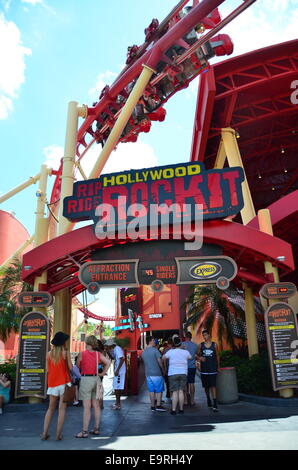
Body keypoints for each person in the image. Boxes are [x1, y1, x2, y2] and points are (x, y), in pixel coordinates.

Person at [75, 335, 110, 438]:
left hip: (86, 379)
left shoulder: (82, 354)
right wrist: (102, 373)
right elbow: (108, 362)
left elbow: (77, 366)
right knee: (96, 405)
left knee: (86, 407)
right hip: (96, 379)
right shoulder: (98, 354)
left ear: (87, 343)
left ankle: (84, 432)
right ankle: (96, 429)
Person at [41, 331, 73, 441]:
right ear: (63, 342)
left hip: (53, 384)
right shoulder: (65, 352)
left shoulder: (49, 354)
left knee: (50, 409)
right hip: (64, 383)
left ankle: (44, 433)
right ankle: (58, 435)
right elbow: (70, 367)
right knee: (62, 409)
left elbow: (47, 370)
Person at [162, 336, 191, 415]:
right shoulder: (185, 352)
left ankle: (174, 410)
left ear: (174, 344)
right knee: (181, 391)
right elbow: (190, 357)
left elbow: (163, 357)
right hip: (183, 373)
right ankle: (181, 409)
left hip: (173, 373)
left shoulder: (171, 351)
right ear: (180, 343)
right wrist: (183, 350)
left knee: (175, 392)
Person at [141, 337, 166, 412]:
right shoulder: (155, 351)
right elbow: (160, 362)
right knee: (159, 390)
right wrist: (163, 370)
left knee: (151, 390)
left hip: (148, 374)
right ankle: (158, 405)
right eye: (154, 340)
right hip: (157, 373)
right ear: (151, 341)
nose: (155, 341)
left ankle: (152, 406)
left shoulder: (144, 352)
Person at [197, 329, 220, 412]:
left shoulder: (214, 345)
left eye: (206, 335)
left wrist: (218, 366)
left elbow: (217, 356)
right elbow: (197, 355)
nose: (205, 337)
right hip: (204, 369)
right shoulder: (201, 345)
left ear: (209, 335)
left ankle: (215, 403)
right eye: (203, 335)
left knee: (213, 386)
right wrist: (200, 358)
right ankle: (208, 398)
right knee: (206, 387)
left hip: (213, 369)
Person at [105, 338, 126, 410]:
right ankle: (117, 403)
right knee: (116, 387)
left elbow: (122, 359)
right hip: (118, 371)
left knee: (117, 387)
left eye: (108, 346)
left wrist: (117, 370)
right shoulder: (115, 349)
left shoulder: (117, 349)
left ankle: (118, 404)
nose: (108, 347)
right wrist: (107, 352)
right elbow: (113, 358)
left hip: (119, 371)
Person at [181, 331, 198, 406]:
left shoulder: (182, 345)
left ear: (185, 337)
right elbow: (196, 355)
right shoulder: (195, 345)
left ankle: (185, 400)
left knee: (185, 383)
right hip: (192, 367)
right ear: (191, 337)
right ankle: (192, 400)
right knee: (192, 383)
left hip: (184, 367)